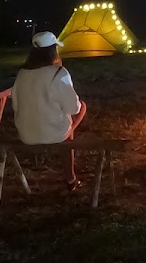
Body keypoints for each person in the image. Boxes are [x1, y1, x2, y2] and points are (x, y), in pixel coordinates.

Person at [11, 30, 87, 189]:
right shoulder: (59, 73)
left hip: (26, 134)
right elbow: (74, 108)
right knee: (81, 108)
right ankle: (70, 177)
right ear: (53, 50)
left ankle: (68, 174)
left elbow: (16, 106)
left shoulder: (21, 73)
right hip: (54, 134)